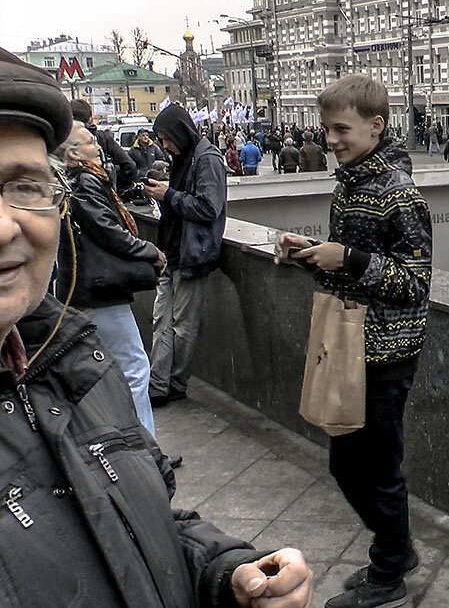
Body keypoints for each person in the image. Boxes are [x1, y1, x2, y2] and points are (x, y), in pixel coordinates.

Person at [0, 46, 315, 608]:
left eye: (24, 186)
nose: (4, 228)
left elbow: (130, 530)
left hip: (185, 259)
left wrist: (223, 574)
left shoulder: (71, 362)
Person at [274, 75, 431, 608]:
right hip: (351, 345)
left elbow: (415, 282)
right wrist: (312, 250)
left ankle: (389, 573)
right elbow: (352, 259)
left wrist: (347, 259)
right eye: (327, 128)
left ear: (375, 125)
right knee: (347, 464)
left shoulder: (398, 193)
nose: (331, 138)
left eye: (340, 129)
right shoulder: (351, 181)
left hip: (386, 352)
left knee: (378, 468)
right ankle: (397, 547)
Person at [55, 120, 165, 434]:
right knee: (134, 365)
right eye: (90, 142)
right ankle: (144, 445)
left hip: (85, 289)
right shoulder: (85, 182)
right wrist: (149, 251)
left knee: (107, 368)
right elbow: (107, 230)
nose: (98, 146)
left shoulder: (73, 181)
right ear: (74, 154)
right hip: (100, 291)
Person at [142, 104, 228, 408]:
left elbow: (208, 208)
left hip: (193, 255)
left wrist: (168, 195)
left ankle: (174, 383)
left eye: (166, 139)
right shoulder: (181, 159)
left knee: (182, 326)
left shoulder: (207, 159)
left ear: (180, 132)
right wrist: (163, 196)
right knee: (160, 321)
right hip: (171, 253)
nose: (165, 146)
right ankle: (158, 384)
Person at [69, 98, 137, 193]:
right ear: (90, 118)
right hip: (103, 191)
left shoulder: (63, 140)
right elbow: (130, 166)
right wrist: (116, 188)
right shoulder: (102, 137)